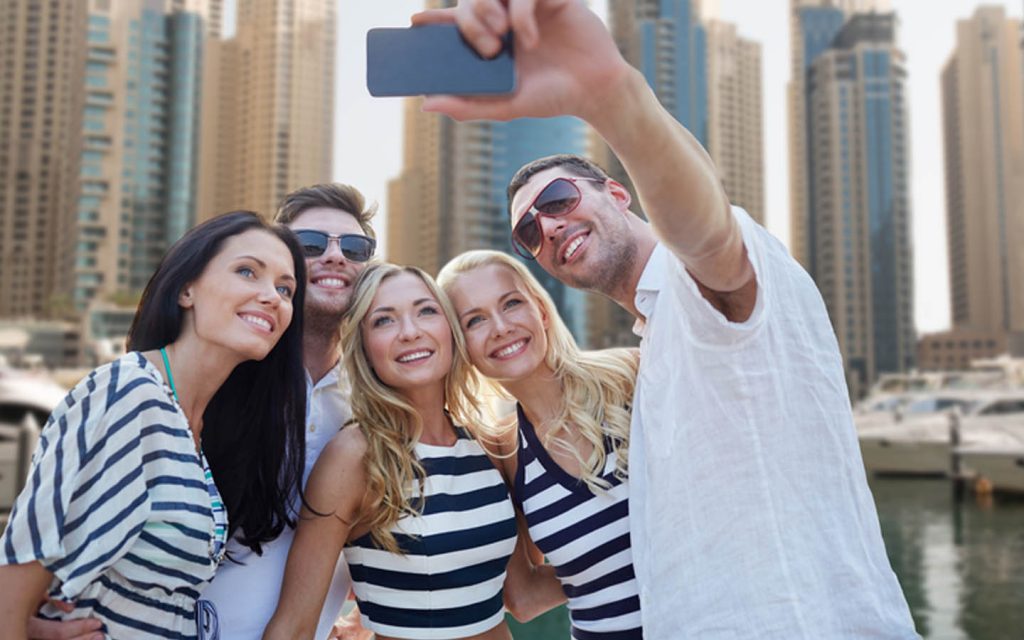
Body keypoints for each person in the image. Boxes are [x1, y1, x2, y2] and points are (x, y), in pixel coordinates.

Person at [416, 1, 920, 637]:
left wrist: (610, 96)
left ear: (618, 193)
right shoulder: (654, 350)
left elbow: (708, 234)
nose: (550, 226)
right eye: (529, 232)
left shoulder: (696, 285)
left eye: (560, 199)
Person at [0, 211, 308, 639]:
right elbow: (19, 567)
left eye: (285, 289)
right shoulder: (129, 392)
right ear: (186, 290)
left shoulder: (195, 426)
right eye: (247, 272)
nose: (271, 296)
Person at [263, 263, 519, 640]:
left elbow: (523, 594)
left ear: (451, 328)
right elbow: (293, 627)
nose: (410, 332)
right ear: (365, 348)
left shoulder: (489, 444)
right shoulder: (354, 457)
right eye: (384, 320)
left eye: (426, 311)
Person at [198, 184, 378, 640]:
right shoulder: (224, 374)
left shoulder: (376, 406)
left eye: (354, 248)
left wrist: (364, 616)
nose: (335, 257)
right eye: (311, 245)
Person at [438, 249, 642, 639]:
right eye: (475, 320)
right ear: (461, 348)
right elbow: (524, 597)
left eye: (511, 304)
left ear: (542, 311)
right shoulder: (501, 454)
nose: (501, 327)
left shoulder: (630, 376)